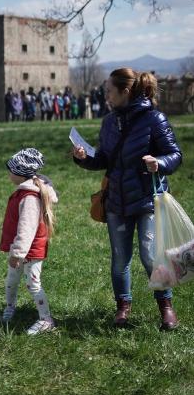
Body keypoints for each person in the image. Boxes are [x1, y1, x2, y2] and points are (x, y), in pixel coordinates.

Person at [73, 68, 182, 330]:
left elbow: (175, 155)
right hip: (117, 202)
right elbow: (104, 159)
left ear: (125, 91)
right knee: (120, 259)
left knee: (150, 256)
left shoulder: (154, 119)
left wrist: (159, 162)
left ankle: (166, 307)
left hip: (147, 200)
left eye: (110, 91)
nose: (106, 95)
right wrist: (84, 158)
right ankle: (123, 308)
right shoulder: (109, 122)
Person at [0, 148, 58, 335]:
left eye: (10, 170)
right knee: (11, 279)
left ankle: (46, 319)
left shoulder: (29, 198)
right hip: (21, 248)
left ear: (19, 173)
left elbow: (26, 229)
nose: (8, 173)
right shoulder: (24, 192)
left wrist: (17, 254)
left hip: (29, 250)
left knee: (33, 283)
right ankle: (10, 306)